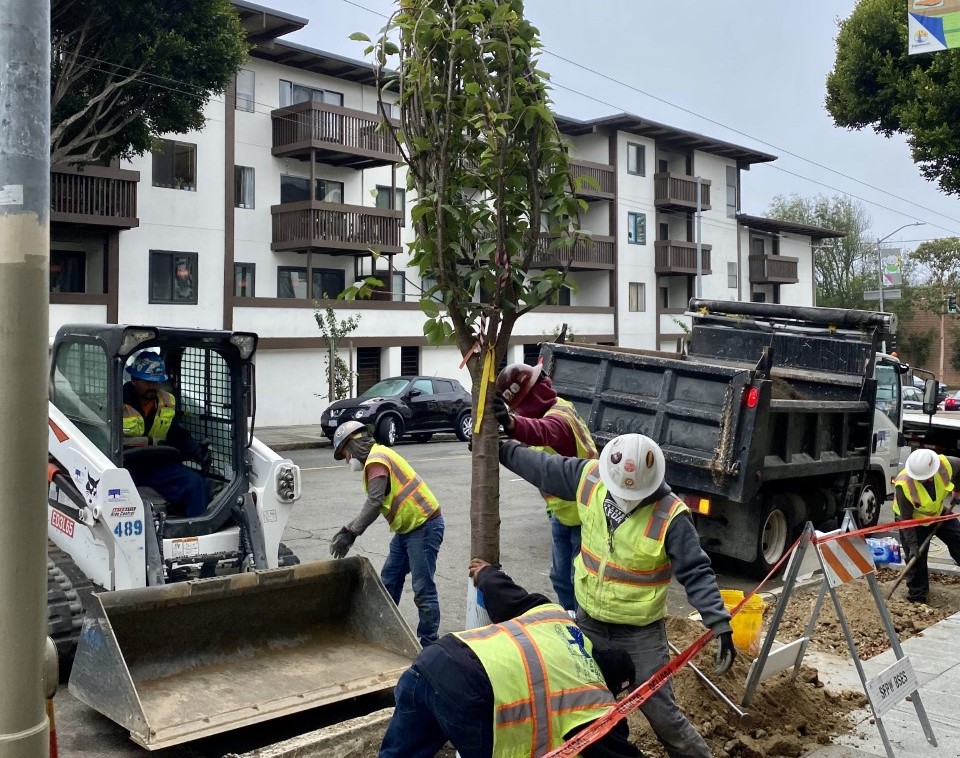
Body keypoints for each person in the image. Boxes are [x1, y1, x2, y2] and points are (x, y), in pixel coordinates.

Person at [498, 433, 734, 758]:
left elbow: (696, 572)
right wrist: (502, 445)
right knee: (583, 705)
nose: (625, 497)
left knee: (662, 715)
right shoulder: (590, 478)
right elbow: (542, 467)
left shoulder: (670, 516)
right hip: (589, 622)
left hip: (640, 635)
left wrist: (719, 622)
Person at [379, 558, 644, 758]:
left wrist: (486, 573)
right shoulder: (593, 699)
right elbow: (614, 750)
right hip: (472, 694)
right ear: (611, 686)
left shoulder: (558, 620)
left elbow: (508, 596)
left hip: (433, 661)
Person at [330, 420, 444, 647]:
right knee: (388, 582)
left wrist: (351, 532)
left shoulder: (376, 461)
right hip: (407, 529)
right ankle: (384, 633)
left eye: (345, 454)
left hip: (423, 525)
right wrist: (348, 529)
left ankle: (430, 645)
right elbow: (374, 502)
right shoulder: (377, 457)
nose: (347, 460)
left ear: (354, 445)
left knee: (422, 587)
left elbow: (374, 501)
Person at [494, 362, 597, 612]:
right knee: (561, 579)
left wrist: (510, 424)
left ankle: (582, 627)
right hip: (562, 512)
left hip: (585, 512)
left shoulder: (560, 418)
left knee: (579, 579)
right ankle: (569, 620)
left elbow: (542, 432)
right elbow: (531, 433)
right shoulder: (544, 413)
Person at [122, 351, 209, 518]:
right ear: (134, 380)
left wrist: (196, 449)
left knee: (195, 484)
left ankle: (195, 531)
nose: (153, 387)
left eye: (157, 382)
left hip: (157, 465)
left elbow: (177, 434)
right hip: (125, 466)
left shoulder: (166, 402)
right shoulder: (116, 401)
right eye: (148, 382)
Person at [892, 448, 960, 604]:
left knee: (957, 537)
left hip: (937, 513)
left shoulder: (945, 464)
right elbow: (906, 520)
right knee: (916, 558)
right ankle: (918, 597)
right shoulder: (903, 485)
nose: (920, 480)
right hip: (913, 522)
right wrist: (913, 546)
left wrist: (957, 490)